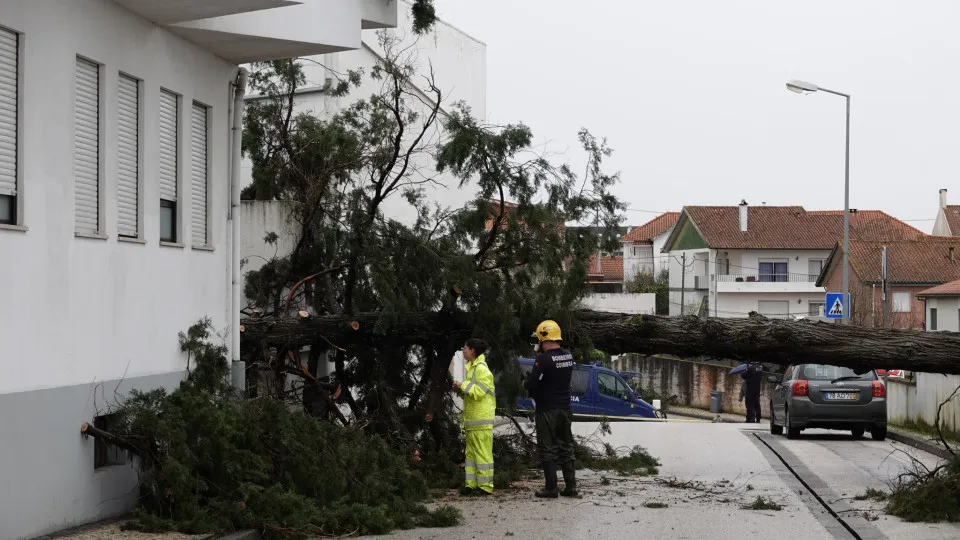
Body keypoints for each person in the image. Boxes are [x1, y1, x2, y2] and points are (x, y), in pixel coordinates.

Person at [524, 320, 578, 498]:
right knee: (566, 447)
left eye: (538, 339)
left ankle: (551, 488)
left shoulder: (543, 359)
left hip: (547, 409)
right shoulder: (568, 356)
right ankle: (571, 487)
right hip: (565, 408)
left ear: (543, 338)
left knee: (548, 448)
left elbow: (533, 383)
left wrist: (526, 382)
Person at [452, 338, 496, 496]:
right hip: (472, 421)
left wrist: (462, 385)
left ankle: (485, 487)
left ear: (473, 351)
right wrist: (460, 388)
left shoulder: (482, 369)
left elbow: (478, 392)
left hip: (481, 421)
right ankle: (471, 485)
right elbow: (471, 393)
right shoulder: (472, 368)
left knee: (483, 455)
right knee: (470, 456)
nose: (463, 350)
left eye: (465, 348)